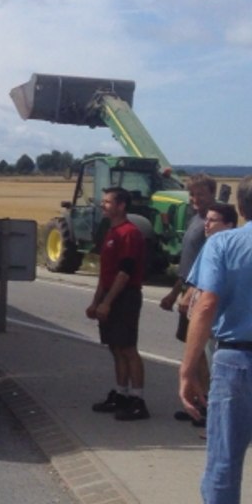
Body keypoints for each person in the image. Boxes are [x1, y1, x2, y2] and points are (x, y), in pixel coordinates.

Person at [179, 177, 252, 504]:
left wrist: (188, 370)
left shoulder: (223, 244)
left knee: (224, 460)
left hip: (237, 360)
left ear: (241, 207)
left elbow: (206, 305)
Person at [87, 186, 150, 421]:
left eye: (107, 202)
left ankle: (138, 399)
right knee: (115, 347)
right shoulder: (111, 232)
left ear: (121, 206)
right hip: (109, 295)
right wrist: (96, 302)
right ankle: (121, 393)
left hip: (125, 296)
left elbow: (125, 272)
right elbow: (105, 273)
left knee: (128, 348)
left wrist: (108, 302)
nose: (102, 205)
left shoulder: (129, 233)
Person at [161, 174, 218, 423]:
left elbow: (208, 266)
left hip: (201, 293)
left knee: (202, 351)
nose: (195, 199)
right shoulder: (195, 219)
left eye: (200, 194)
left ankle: (206, 405)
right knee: (191, 349)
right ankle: (196, 401)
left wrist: (193, 293)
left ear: (212, 193)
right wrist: (175, 292)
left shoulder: (213, 224)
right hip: (187, 290)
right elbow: (188, 265)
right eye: (192, 194)